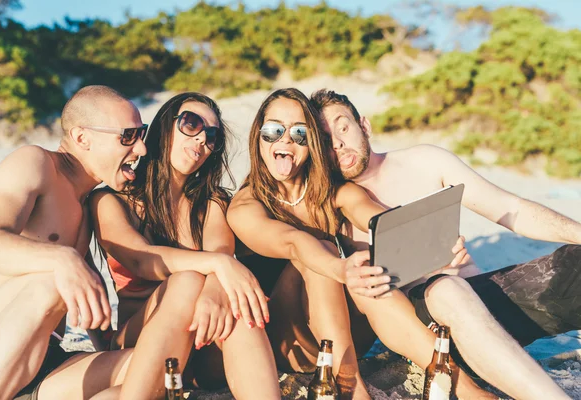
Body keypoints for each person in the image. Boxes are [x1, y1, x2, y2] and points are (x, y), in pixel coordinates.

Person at [227, 87, 570, 400]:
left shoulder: (334, 192)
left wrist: (431, 243)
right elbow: (292, 242)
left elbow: (378, 217)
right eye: (273, 131)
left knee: (368, 277)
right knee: (326, 259)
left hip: (359, 334)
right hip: (290, 340)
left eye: (299, 133)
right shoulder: (246, 205)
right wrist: (340, 267)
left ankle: (470, 393)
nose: (285, 140)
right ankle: (353, 389)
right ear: (257, 136)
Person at [310, 88, 581, 382]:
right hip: (428, 328)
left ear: (364, 126)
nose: (338, 144)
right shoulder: (330, 206)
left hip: (490, 302)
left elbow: (508, 208)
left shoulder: (425, 162)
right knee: (446, 290)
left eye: (344, 127)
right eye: (325, 140)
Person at [89, 92, 281, 399]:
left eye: (212, 136)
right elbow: (143, 260)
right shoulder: (110, 201)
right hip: (140, 340)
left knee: (237, 303)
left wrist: (218, 280)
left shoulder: (211, 202)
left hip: (202, 343)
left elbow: (221, 252)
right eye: (191, 124)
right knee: (188, 279)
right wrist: (218, 267)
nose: (202, 139)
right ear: (165, 126)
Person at [0, 85, 146, 399]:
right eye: (127, 136)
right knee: (53, 280)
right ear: (83, 138)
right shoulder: (36, 163)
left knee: (149, 367)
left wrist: (108, 346)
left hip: (36, 363)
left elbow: (86, 297)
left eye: (142, 134)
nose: (141, 150)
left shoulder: (89, 204)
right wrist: (61, 258)